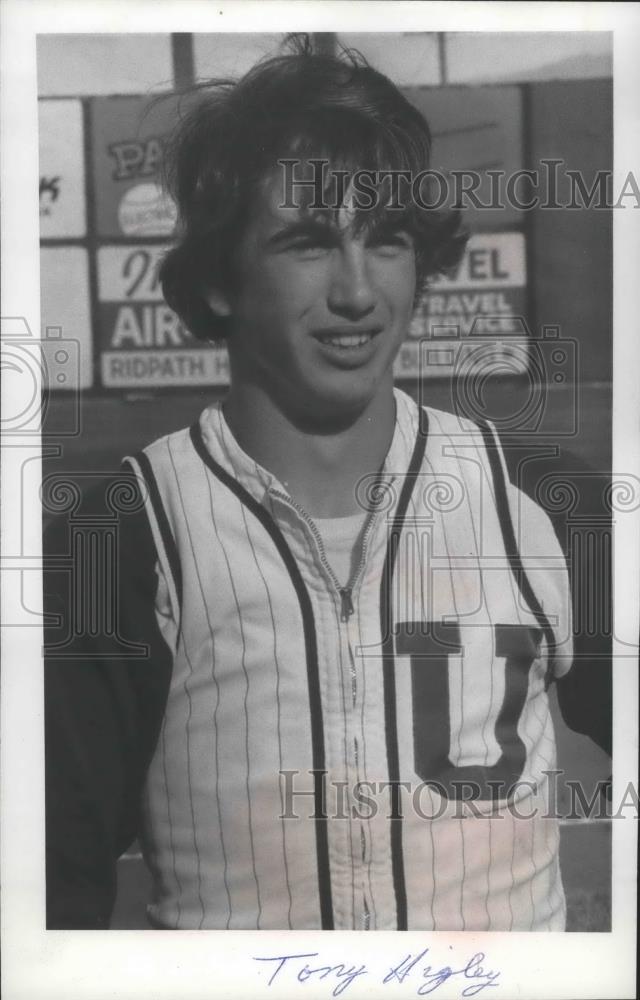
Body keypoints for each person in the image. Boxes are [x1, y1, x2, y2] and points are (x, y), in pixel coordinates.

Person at [44, 39, 609, 932]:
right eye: (308, 243)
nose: (356, 291)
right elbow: (52, 887)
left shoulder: (544, 502)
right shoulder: (121, 535)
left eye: (385, 240)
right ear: (223, 277)